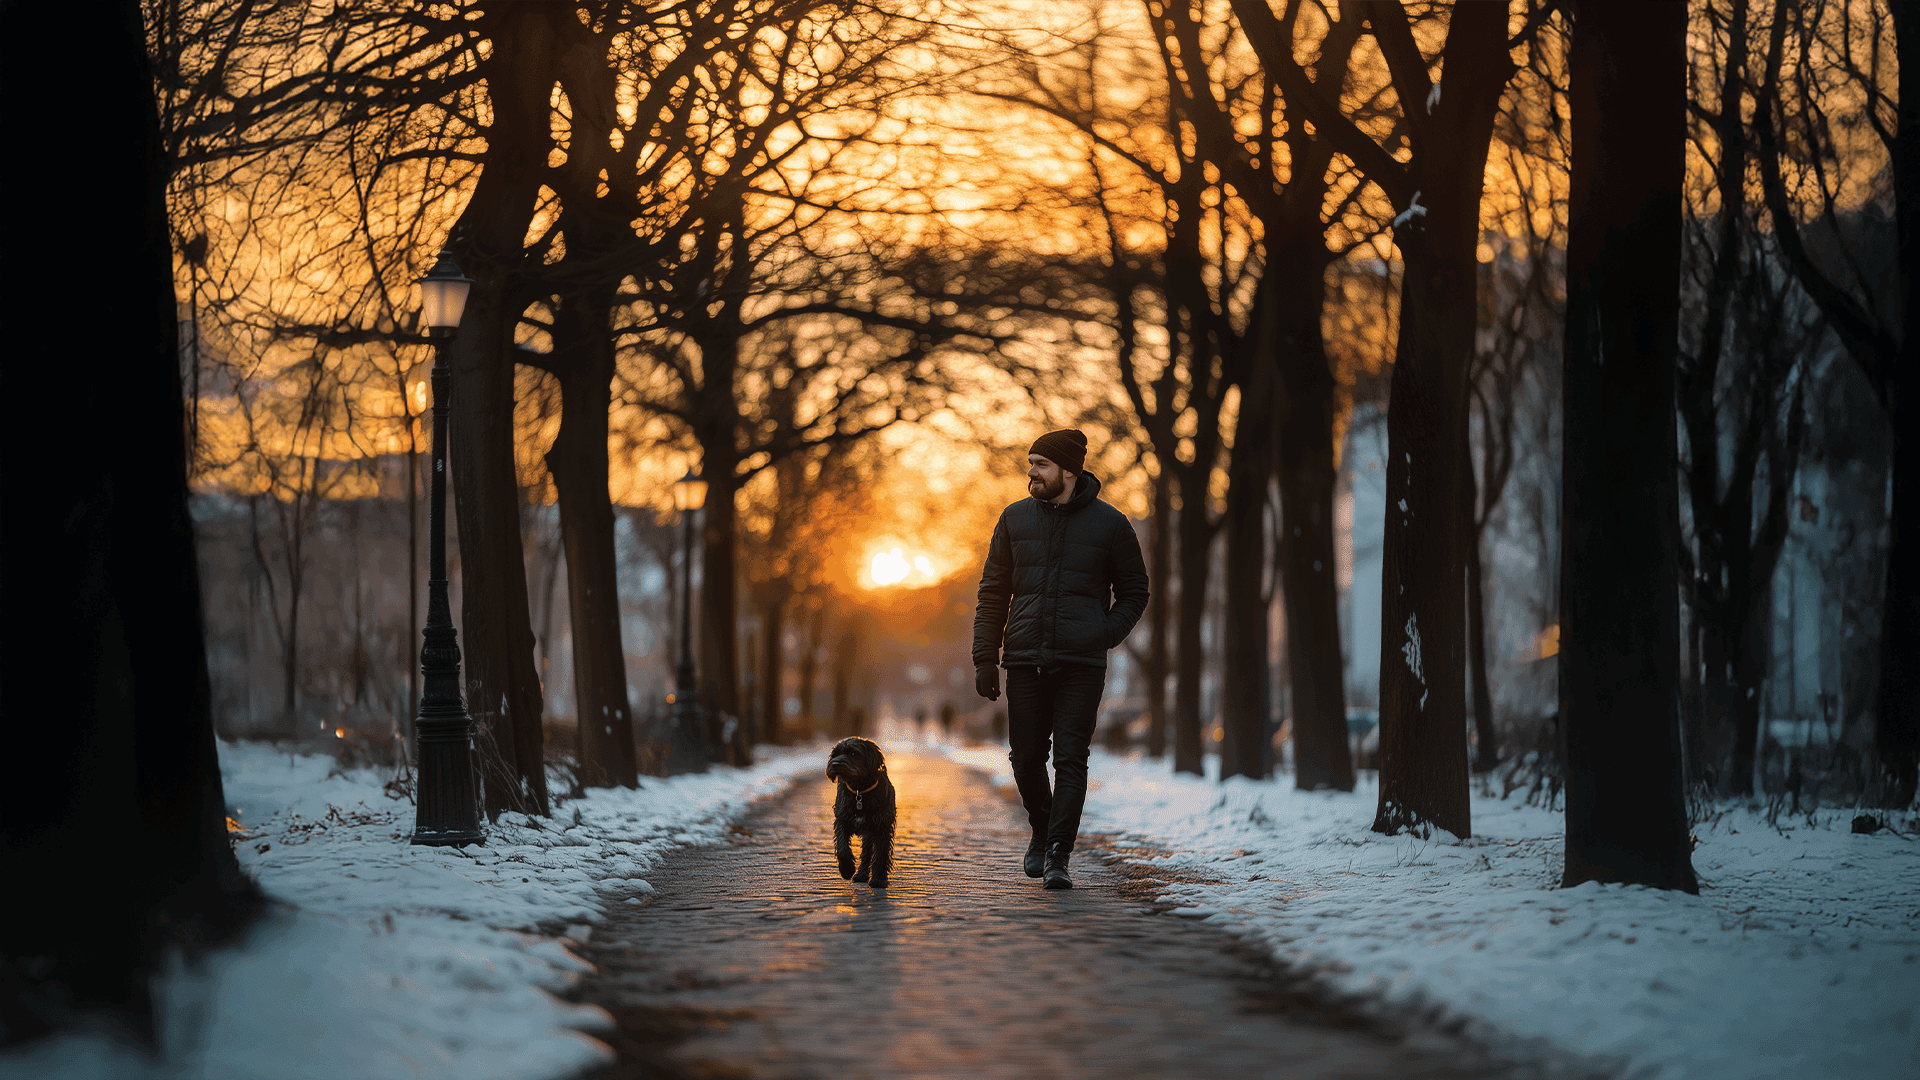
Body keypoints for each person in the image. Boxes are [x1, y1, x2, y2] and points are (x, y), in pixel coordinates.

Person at [972, 429, 1149, 889]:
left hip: (1081, 665)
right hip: (1025, 659)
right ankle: (1042, 827)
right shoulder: (1013, 520)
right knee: (1026, 760)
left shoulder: (1111, 525)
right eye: (1030, 462)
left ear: (1068, 471)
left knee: (1071, 759)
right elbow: (993, 593)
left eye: (1041, 464)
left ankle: (1057, 854)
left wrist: (1103, 633)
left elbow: (1135, 592)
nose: (1031, 472)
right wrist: (985, 658)